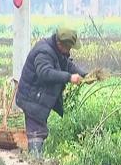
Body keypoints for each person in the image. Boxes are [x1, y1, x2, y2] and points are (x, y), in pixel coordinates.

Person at [16, 27, 87, 157]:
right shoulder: (44, 52)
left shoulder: (57, 51)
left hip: (38, 97)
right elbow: (45, 73)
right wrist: (69, 78)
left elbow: (68, 65)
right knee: (37, 130)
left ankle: (35, 159)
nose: (70, 50)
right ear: (60, 44)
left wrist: (84, 75)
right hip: (31, 98)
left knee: (39, 128)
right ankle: (35, 161)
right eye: (69, 47)